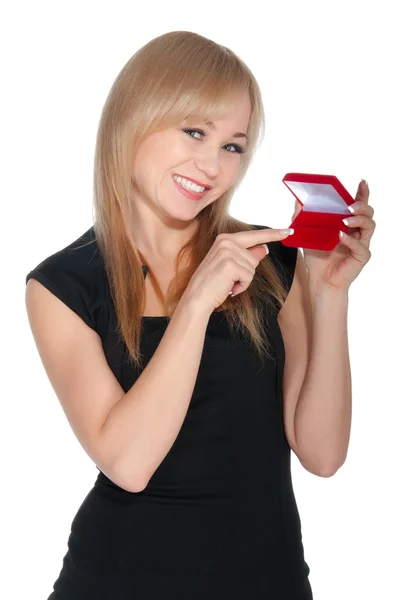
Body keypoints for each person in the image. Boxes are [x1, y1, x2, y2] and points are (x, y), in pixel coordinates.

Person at [25, 29, 375, 600]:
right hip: (118, 582)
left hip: (268, 582)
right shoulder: (61, 285)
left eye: (233, 146)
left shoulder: (271, 263)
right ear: (133, 119)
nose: (212, 165)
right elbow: (129, 463)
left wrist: (328, 292)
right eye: (194, 132)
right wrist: (195, 304)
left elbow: (323, 453)